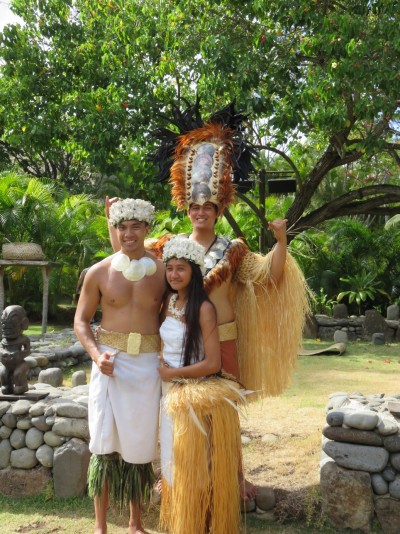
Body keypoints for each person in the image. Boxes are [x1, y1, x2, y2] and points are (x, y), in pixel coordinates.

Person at [106, 103, 310, 501]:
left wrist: (282, 241)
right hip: (181, 343)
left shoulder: (233, 249)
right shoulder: (169, 247)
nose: (200, 212)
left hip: (226, 341)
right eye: (195, 206)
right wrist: (115, 220)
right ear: (188, 207)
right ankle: (177, 478)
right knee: (179, 411)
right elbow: (129, 255)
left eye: (208, 207)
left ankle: (233, 479)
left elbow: (271, 275)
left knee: (225, 414)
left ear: (218, 210)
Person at [74, 198, 166, 534]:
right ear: (115, 228)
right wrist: (98, 355)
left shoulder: (162, 273)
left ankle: (135, 523)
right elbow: (81, 322)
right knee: (103, 446)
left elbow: (176, 316)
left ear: (146, 228)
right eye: (122, 227)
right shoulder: (99, 272)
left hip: (146, 369)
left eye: (135, 226)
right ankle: (100, 526)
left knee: (138, 448)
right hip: (109, 365)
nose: (129, 233)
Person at [158, 236, 245, 534]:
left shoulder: (204, 309)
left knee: (194, 466)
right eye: (169, 269)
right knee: (171, 462)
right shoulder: (167, 301)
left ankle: (201, 523)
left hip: (192, 394)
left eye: (180, 269)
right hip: (168, 394)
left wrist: (174, 374)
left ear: (194, 271)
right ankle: (182, 521)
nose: (173, 275)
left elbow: (213, 364)